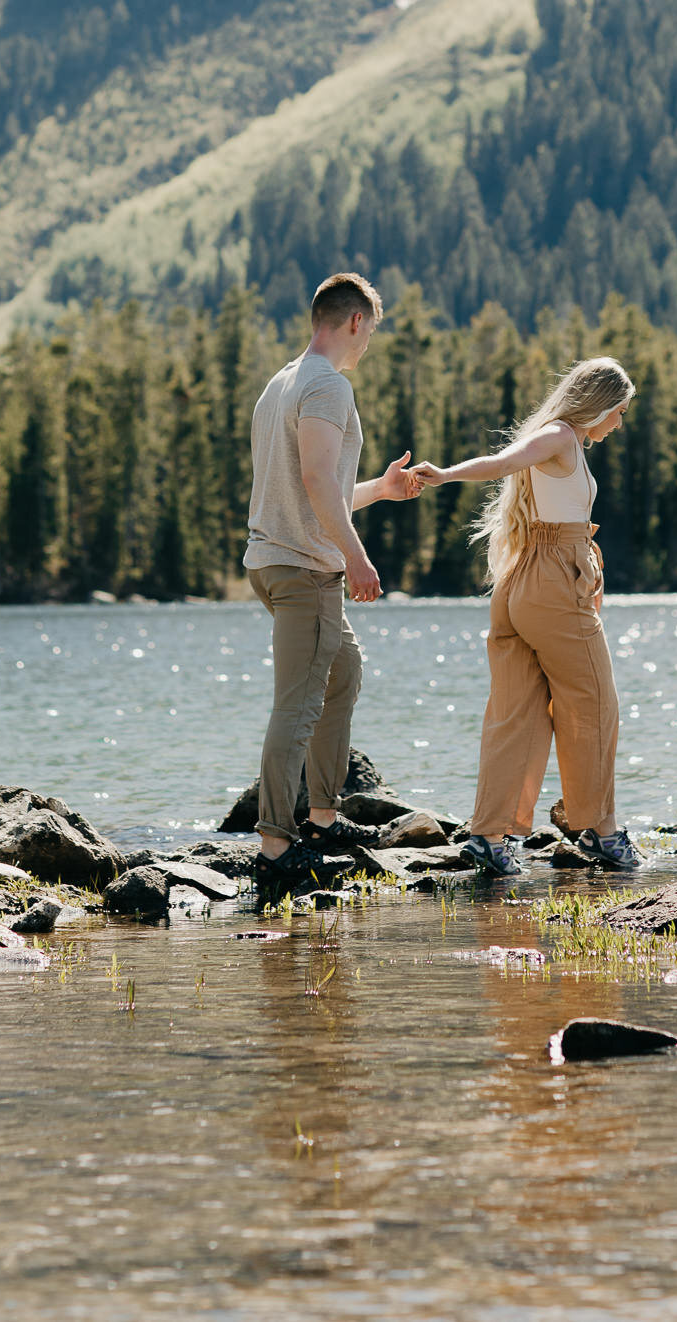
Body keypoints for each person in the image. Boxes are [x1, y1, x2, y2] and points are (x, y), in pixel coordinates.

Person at [415, 357, 640, 877]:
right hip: (552, 584)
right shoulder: (560, 436)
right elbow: (503, 461)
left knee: (516, 713)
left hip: (520, 583)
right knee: (595, 705)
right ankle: (601, 831)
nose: (619, 423)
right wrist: (447, 475)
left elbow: (511, 464)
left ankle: (488, 837)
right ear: (601, 404)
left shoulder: (561, 439)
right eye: (620, 411)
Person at [244, 270, 424, 902]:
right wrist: (356, 557)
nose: (369, 340)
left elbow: (319, 488)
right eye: (371, 328)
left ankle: (322, 821)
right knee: (296, 706)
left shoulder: (284, 382)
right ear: (355, 321)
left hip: (274, 562)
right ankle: (276, 847)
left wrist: (379, 488)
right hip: (305, 569)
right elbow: (318, 485)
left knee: (342, 671)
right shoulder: (327, 386)